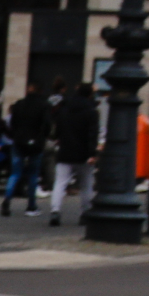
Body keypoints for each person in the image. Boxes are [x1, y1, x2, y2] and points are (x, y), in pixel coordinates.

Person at [48, 77, 99, 226]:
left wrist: (58, 138)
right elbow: (92, 134)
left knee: (60, 183)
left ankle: (55, 211)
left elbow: (57, 130)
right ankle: (85, 213)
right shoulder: (91, 111)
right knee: (86, 184)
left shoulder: (64, 108)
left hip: (65, 151)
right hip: (83, 153)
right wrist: (92, 153)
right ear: (89, 95)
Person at [3, 80, 50, 215]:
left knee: (15, 173)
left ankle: (7, 200)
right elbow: (46, 125)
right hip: (35, 143)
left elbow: (12, 123)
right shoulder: (44, 105)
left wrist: (15, 135)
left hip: (19, 141)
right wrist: (42, 138)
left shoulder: (19, 104)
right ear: (41, 91)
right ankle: (31, 205)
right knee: (33, 174)